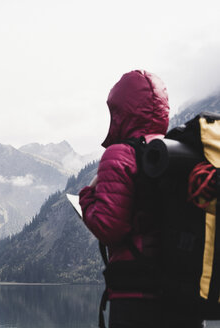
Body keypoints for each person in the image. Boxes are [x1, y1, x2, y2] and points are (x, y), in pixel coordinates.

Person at [78, 70, 203, 328]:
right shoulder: (184, 153)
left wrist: (87, 197)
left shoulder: (121, 154)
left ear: (122, 112)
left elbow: (108, 228)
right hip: (185, 294)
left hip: (136, 297)